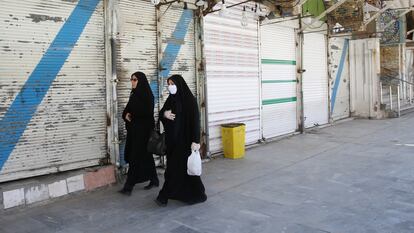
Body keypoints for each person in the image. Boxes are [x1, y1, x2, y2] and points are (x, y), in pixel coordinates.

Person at [155, 74, 207, 206]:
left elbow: (195, 122)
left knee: (175, 169)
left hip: (185, 142)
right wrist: (164, 114)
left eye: (172, 84)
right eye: (169, 84)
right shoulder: (171, 99)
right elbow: (162, 113)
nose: (170, 87)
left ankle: (164, 195)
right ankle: (194, 192)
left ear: (179, 84)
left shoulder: (190, 101)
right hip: (173, 142)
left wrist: (196, 141)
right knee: (181, 170)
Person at [119, 72, 159, 196]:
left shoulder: (148, 95)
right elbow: (127, 110)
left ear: (140, 81)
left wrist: (132, 115)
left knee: (134, 158)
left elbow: (145, 113)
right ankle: (154, 179)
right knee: (146, 157)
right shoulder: (134, 94)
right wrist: (126, 115)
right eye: (131, 79)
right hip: (135, 132)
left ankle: (128, 187)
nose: (132, 82)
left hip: (144, 133)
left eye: (135, 79)